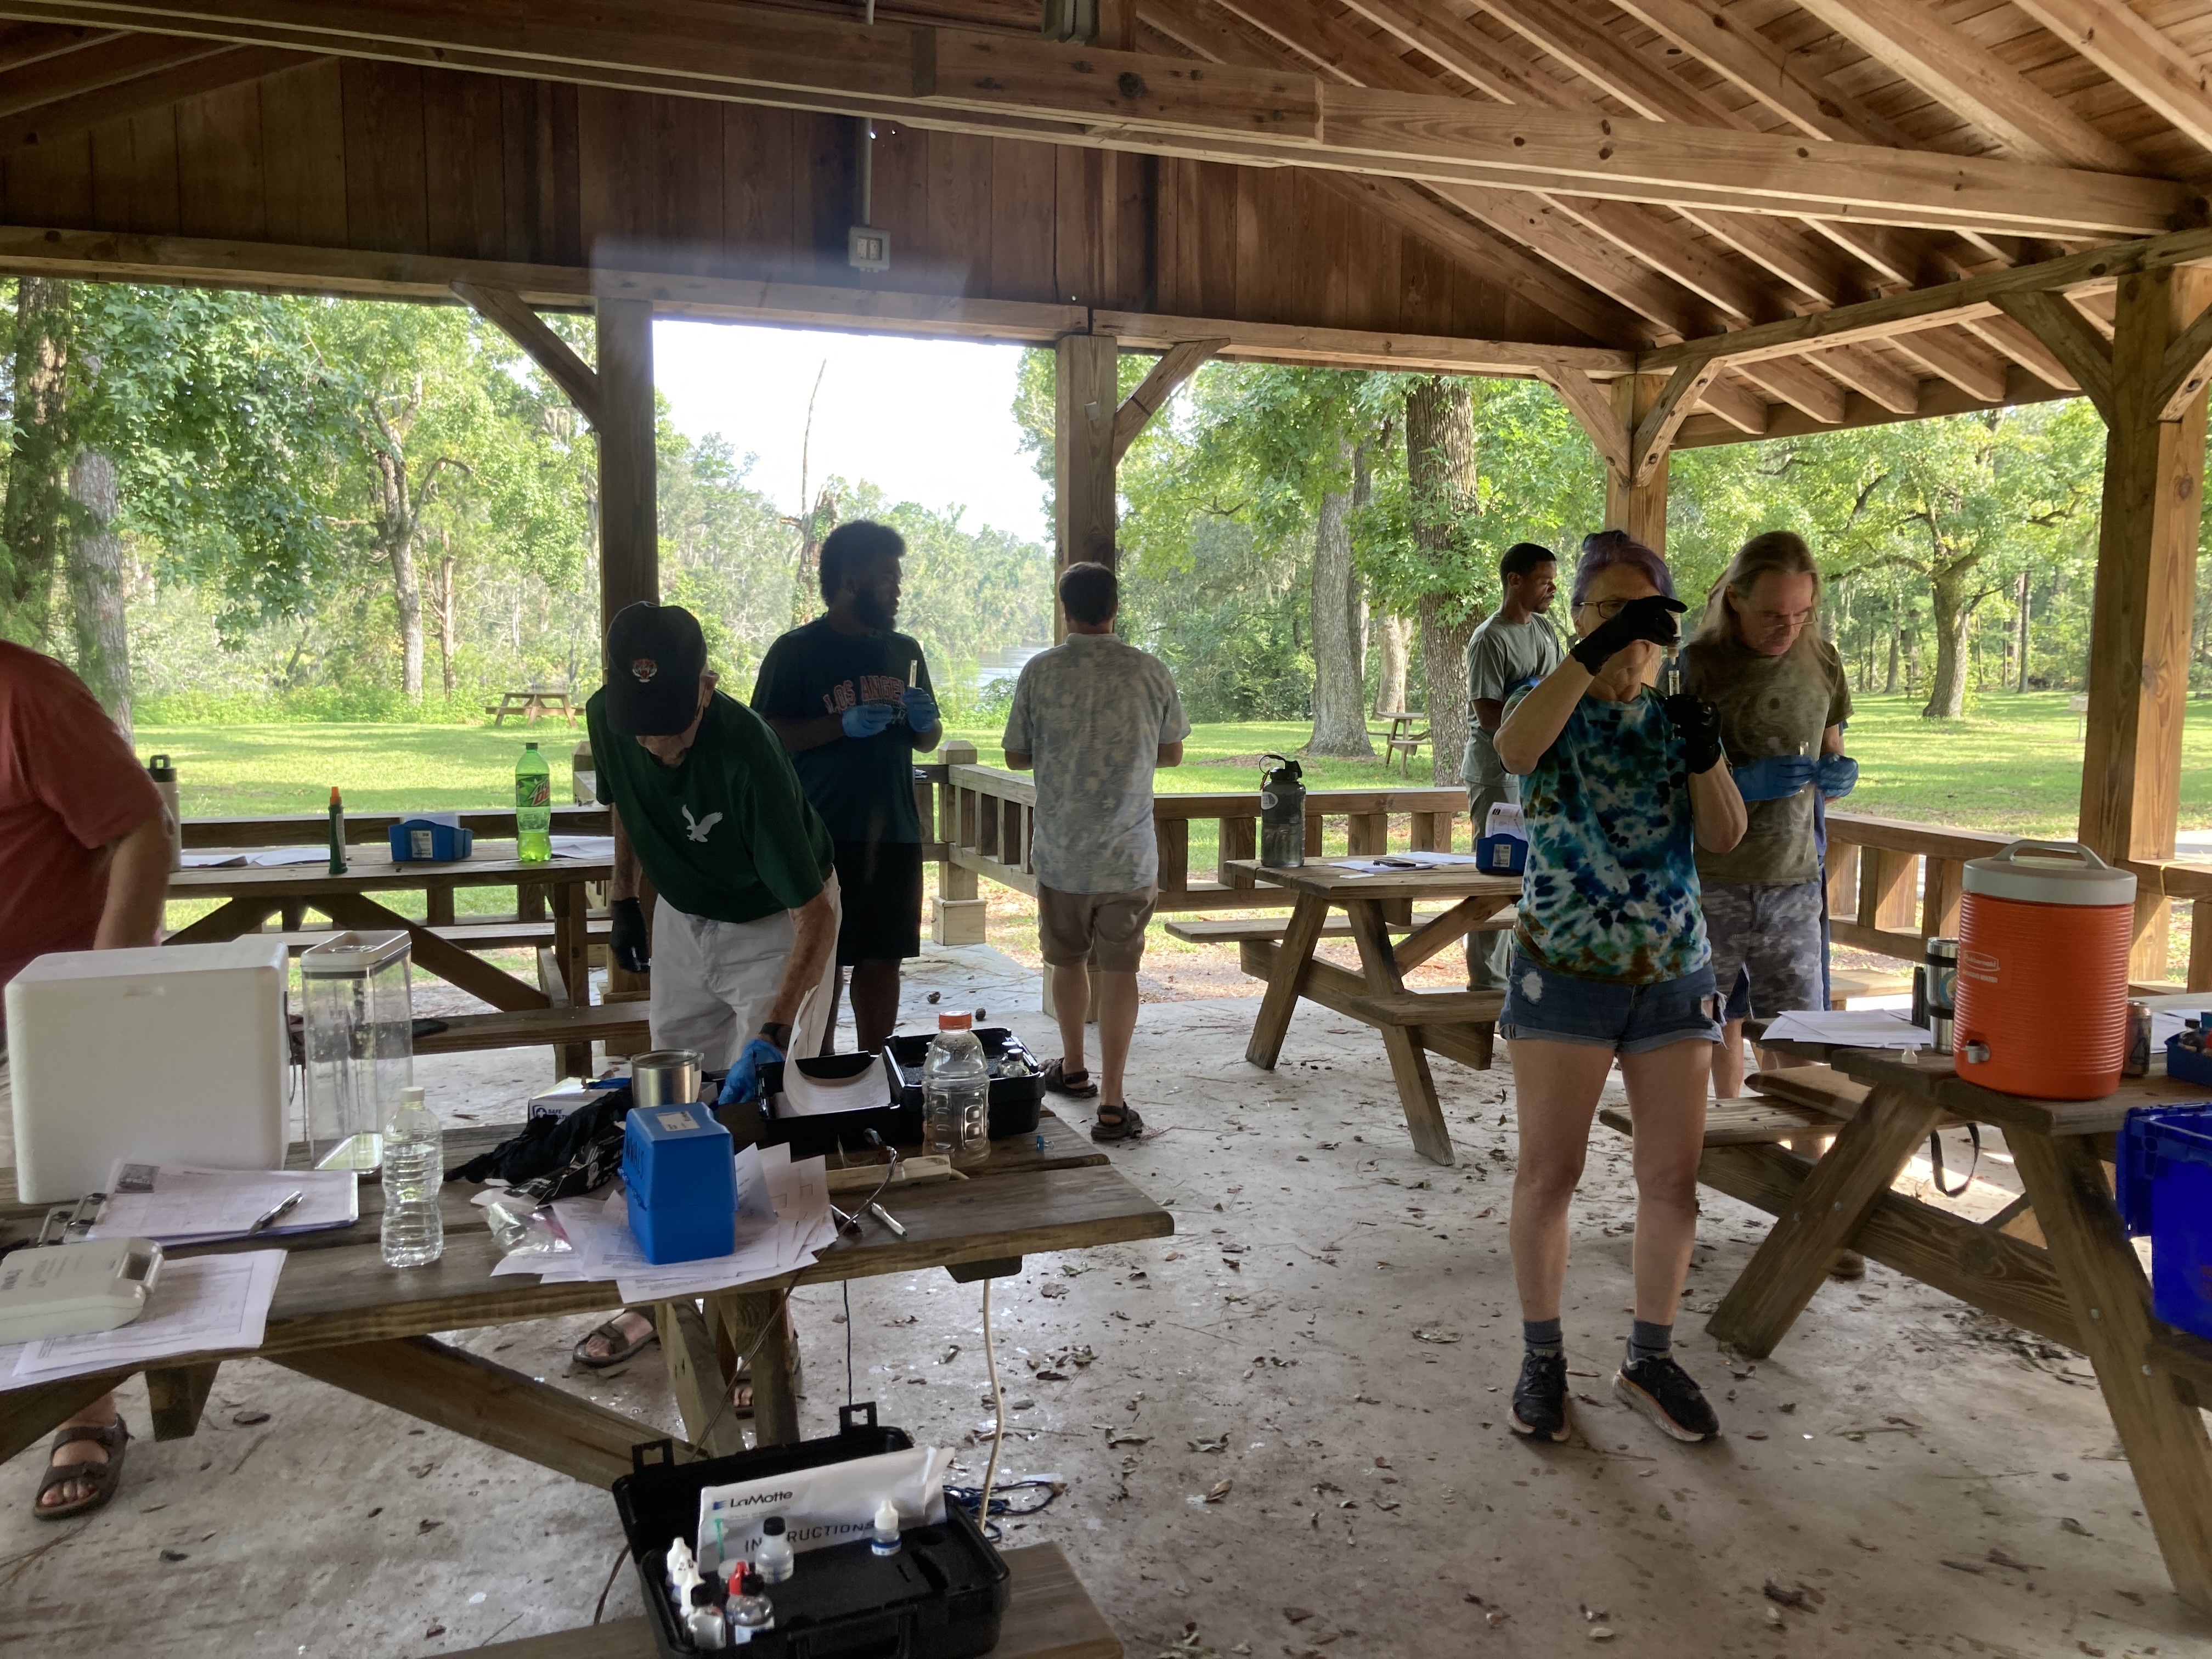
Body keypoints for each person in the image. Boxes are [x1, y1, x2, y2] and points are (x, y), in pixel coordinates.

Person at [1492, 529, 1746, 1446]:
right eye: (1614, 614)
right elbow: (1516, 751)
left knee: (1671, 1178)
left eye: (1651, 620)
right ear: (1581, 618)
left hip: (1672, 974)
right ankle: (1542, 1354)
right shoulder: (1547, 702)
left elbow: (1722, 833)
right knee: (1550, 1173)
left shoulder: (1677, 714)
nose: (1635, 638)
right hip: (1564, 971)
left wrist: (1706, 752)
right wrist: (1587, 655)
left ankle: (1648, 1353)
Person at [574, 601, 840, 1384]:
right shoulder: (613, 719)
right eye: (639, 722)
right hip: (684, 914)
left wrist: (775, 1028)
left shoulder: (745, 751)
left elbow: (815, 917)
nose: (655, 742)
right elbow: (626, 796)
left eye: (670, 722)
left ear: (706, 688)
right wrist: (624, 894)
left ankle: (768, 1328)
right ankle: (662, 1300)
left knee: (764, 1126)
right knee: (667, 1105)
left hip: (774, 921)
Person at [1, 643, 172, 1519]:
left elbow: (144, 829)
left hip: (37, 1017)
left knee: (65, 1213)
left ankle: (85, 1408)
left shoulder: (26, 695)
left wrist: (103, 992)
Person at [1002, 561, 1188, 1142]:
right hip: (1128, 854)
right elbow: (1174, 752)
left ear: (1066, 609)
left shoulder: (1040, 672)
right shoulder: (1150, 671)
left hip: (1062, 851)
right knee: (1120, 970)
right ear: (1115, 606)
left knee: (1065, 960)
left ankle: (1074, 1068)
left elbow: (1015, 755)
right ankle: (1112, 1101)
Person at [753, 520, 942, 1056]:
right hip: (821, 835)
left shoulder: (904, 651)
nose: (897, 588)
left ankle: (874, 1071)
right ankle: (818, 1069)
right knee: (824, 961)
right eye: (887, 576)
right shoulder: (797, 652)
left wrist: (926, 721)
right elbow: (766, 733)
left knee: (883, 960)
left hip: (895, 833)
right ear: (852, 580)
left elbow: (927, 739)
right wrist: (840, 724)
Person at [1681, 531, 1857, 1101]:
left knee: (1802, 1030)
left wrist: (1840, 773)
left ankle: (1809, 1158)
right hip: (1714, 879)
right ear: (1735, 598)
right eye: (1773, 614)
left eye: (1802, 614)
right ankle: (1726, 1129)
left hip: (1796, 879)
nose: (1788, 627)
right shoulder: (1697, 666)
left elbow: (1830, 749)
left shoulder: (1823, 661)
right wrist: (1737, 784)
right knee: (1712, 1021)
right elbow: (1665, 778)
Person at [1461, 541, 1562, 992]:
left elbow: (1560, 696)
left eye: (1554, 581)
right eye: (1544, 581)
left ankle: (1525, 972)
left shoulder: (1544, 631)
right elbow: (1487, 712)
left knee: (1533, 875)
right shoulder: (1490, 638)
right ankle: (1488, 983)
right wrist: (1530, 704)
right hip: (1496, 773)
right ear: (1515, 580)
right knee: (1497, 874)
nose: (1552, 590)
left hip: (1538, 771)